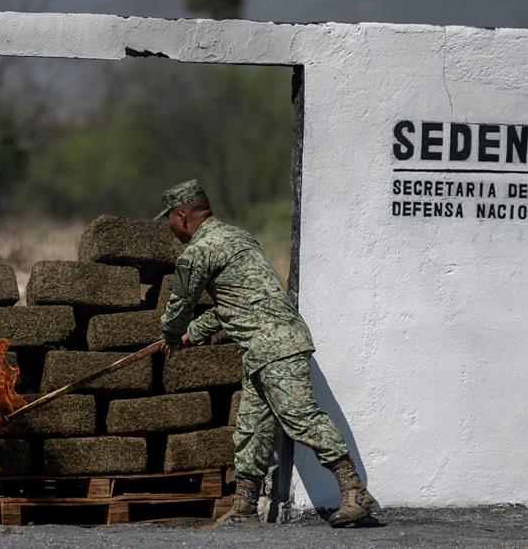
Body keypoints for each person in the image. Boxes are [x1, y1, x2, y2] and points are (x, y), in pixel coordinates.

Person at [155, 179, 379, 527]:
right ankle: (244, 507)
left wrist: (170, 333)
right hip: (263, 348)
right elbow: (237, 305)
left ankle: (354, 491)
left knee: (301, 419)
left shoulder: (198, 251)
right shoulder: (238, 238)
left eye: (169, 218)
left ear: (182, 216)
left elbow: (180, 304)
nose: (169, 228)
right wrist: (190, 336)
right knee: (252, 430)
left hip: (275, 347)